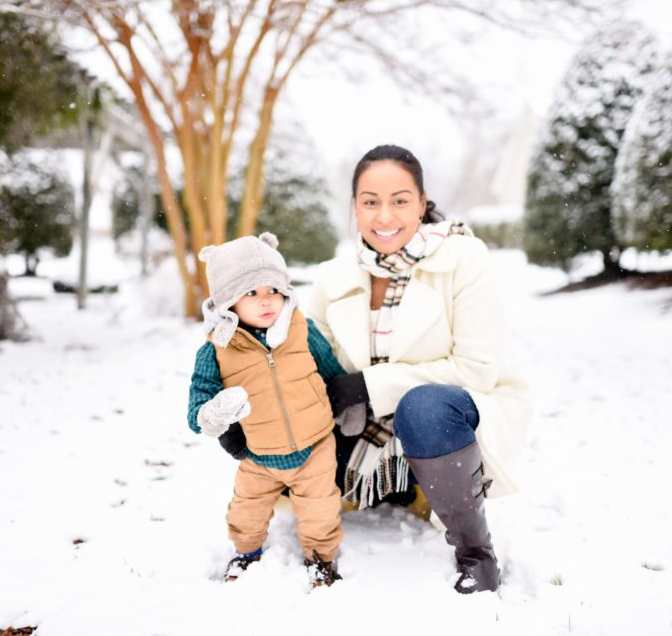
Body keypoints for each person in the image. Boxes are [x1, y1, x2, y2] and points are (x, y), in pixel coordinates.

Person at [307, 144, 533, 594]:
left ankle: (475, 551)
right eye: (370, 201)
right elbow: (313, 364)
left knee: (423, 407)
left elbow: (476, 369)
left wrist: (369, 385)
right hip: (362, 432)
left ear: (423, 202)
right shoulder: (333, 278)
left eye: (400, 200)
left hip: (443, 424)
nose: (384, 215)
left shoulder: (463, 260)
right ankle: (389, 487)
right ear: (354, 207)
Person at [187, 232, 346, 588]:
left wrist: (347, 406)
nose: (266, 301)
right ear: (227, 301)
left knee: (320, 509)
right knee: (246, 510)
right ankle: (246, 552)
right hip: (259, 454)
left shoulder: (300, 328)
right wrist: (210, 414)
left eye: (273, 290)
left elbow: (330, 369)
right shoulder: (216, 350)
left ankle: (320, 560)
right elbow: (198, 402)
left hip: (315, 447)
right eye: (251, 293)